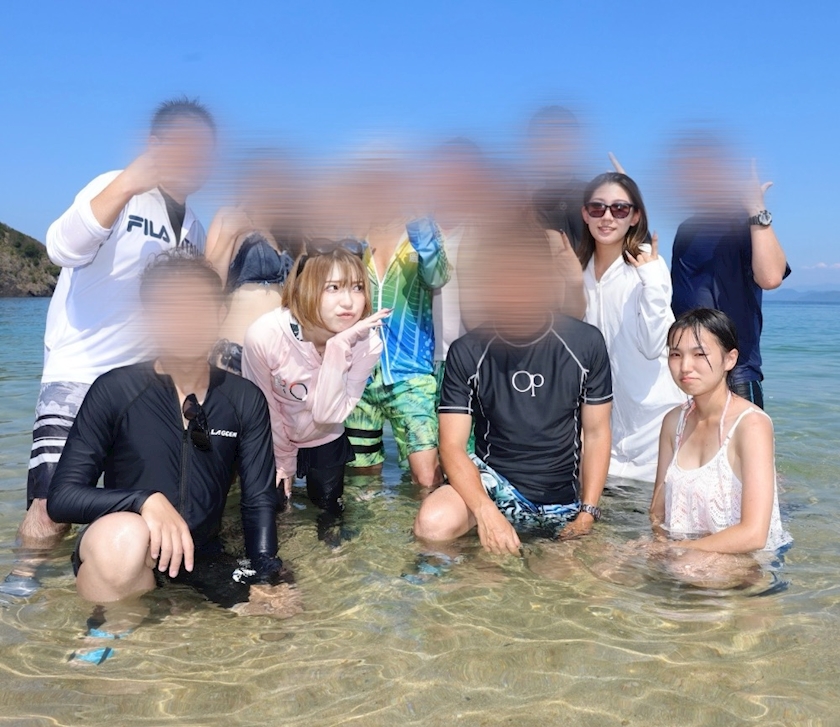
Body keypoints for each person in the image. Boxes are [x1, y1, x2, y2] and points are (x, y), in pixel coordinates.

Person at [2, 97, 216, 598]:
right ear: (155, 145)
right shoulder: (115, 187)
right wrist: (126, 184)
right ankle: (23, 579)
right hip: (80, 371)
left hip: (142, 385)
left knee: (133, 500)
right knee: (52, 503)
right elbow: (61, 247)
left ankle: (116, 586)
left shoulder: (194, 226)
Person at [46, 253, 291, 624]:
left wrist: (267, 573)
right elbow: (62, 498)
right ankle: (107, 633)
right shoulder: (115, 390)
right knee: (124, 535)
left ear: (221, 314)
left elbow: (257, 503)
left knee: (279, 613)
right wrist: (144, 501)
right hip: (125, 553)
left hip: (201, 554)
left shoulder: (244, 399)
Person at [413, 224, 613, 554]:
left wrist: (587, 513)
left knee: (566, 578)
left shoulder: (585, 343)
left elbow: (596, 433)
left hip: (560, 498)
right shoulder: (468, 351)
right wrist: (485, 512)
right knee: (433, 523)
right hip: (493, 486)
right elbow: (452, 446)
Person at [241, 243, 386, 539]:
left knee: (330, 518)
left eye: (357, 287)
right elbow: (263, 409)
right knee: (274, 517)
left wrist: (338, 348)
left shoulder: (366, 344)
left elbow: (328, 415)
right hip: (272, 437)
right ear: (305, 288)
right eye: (333, 287)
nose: (349, 301)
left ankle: (331, 566)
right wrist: (283, 462)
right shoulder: (265, 335)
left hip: (325, 435)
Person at [343, 153, 451, 486]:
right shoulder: (355, 243)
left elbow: (438, 276)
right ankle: (373, 524)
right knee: (360, 477)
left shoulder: (421, 236)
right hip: (359, 376)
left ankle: (421, 523)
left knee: (426, 477)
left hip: (410, 375)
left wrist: (420, 223)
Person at [649, 308, 792, 555]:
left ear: (730, 359)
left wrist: (681, 550)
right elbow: (657, 511)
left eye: (699, 354)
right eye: (675, 354)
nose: (685, 366)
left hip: (745, 563)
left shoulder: (751, 424)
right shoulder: (674, 422)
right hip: (683, 558)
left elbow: (754, 534)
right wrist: (661, 550)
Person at [669, 133, 790, 409]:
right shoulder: (685, 231)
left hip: (735, 377)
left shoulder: (744, 223)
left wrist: (756, 207)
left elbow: (771, 277)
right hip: (687, 378)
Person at [580, 172, 685, 481]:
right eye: (597, 208)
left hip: (654, 421)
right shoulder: (579, 270)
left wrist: (652, 282)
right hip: (602, 423)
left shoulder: (648, 265)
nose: (607, 217)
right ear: (585, 214)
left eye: (619, 209)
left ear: (635, 216)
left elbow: (655, 345)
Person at [205, 153, 300, 374]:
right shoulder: (228, 216)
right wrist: (229, 233)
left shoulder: (287, 238)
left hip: (279, 365)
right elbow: (207, 286)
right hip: (236, 357)